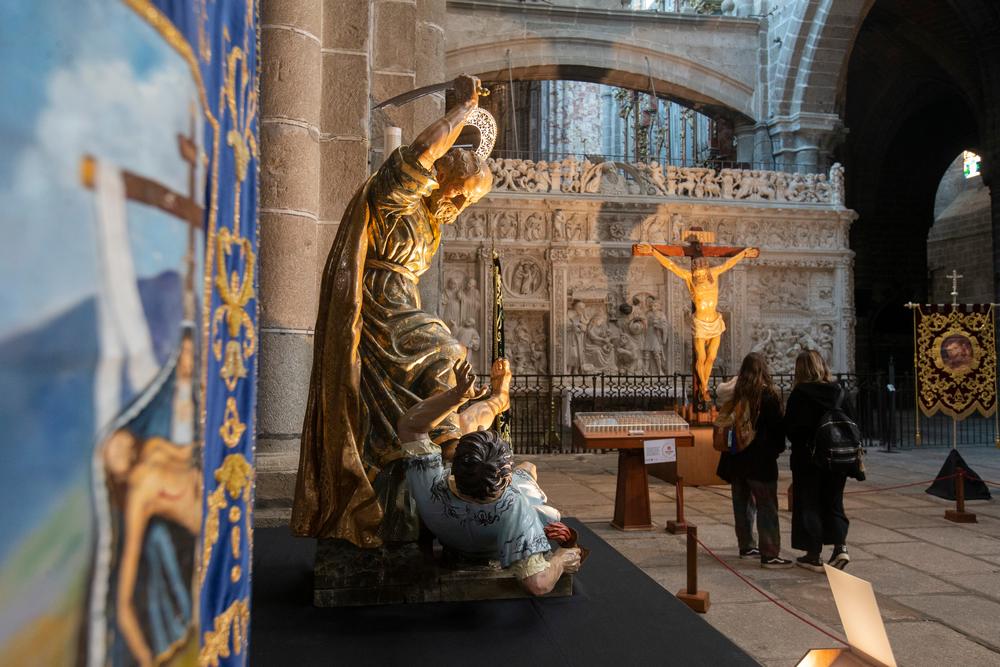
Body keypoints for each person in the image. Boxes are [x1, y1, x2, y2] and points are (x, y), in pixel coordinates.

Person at [292, 75, 494, 547]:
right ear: (441, 174)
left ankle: (447, 475)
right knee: (444, 353)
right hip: (378, 310)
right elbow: (421, 150)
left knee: (443, 364)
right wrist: (461, 112)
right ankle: (454, 478)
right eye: (461, 191)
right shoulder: (395, 197)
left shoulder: (429, 219)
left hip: (401, 307)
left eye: (470, 200)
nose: (461, 204)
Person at [396, 359, 583, 595]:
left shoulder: (431, 487)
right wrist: (560, 559)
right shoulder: (514, 507)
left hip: (452, 537)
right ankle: (500, 398)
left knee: (466, 422)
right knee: (528, 466)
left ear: (452, 469)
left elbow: (410, 427)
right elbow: (538, 583)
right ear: (506, 479)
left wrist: (456, 396)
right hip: (494, 539)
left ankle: (498, 399)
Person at [637, 243, 758, 404]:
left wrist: (743, 254)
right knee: (701, 357)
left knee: (712, 357)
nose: (699, 277)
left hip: (715, 321)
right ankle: (704, 388)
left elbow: (728, 263)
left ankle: (704, 387)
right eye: (697, 274)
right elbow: (671, 265)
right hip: (700, 323)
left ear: (706, 270)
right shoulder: (690, 278)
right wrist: (653, 251)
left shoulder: (714, 275)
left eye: (701, 274)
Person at [715, 353, 793, 568]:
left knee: (742, 505)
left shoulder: (735, 394)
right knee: (767, 506)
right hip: (760, 461)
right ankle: (769, 553)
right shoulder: (768, 396)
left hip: (737, 459)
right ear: (763, 370)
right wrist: (775, 450)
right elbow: (778, 431)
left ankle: (747, 545)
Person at [783, 349, 852, 572]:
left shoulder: (800, 394)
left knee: (809, 503)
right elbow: (852, 422)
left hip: (808, 458)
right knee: (834, 502)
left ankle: (813, 554)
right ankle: (840, 547)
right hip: (837, 457)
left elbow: (791, 429)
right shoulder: (840, 391)